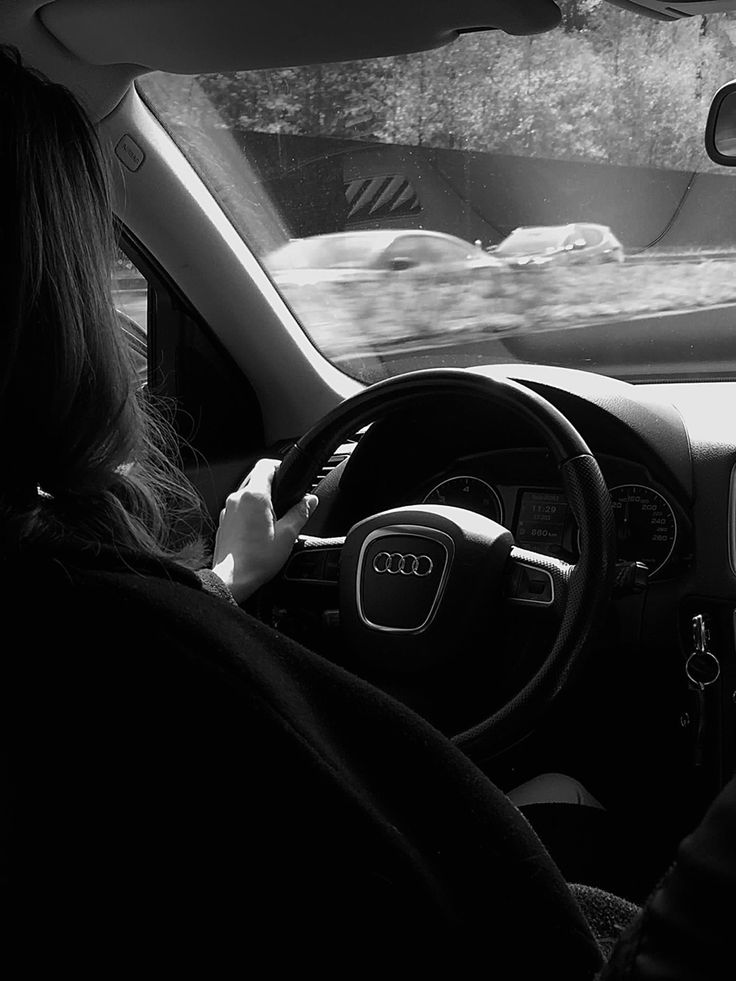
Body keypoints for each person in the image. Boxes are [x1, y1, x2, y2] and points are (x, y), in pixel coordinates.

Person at [1, 43, 729, 979]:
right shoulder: (113, 633)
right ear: (53, 317)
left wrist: (223, 582)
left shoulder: (91, 629)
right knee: (559, 788)